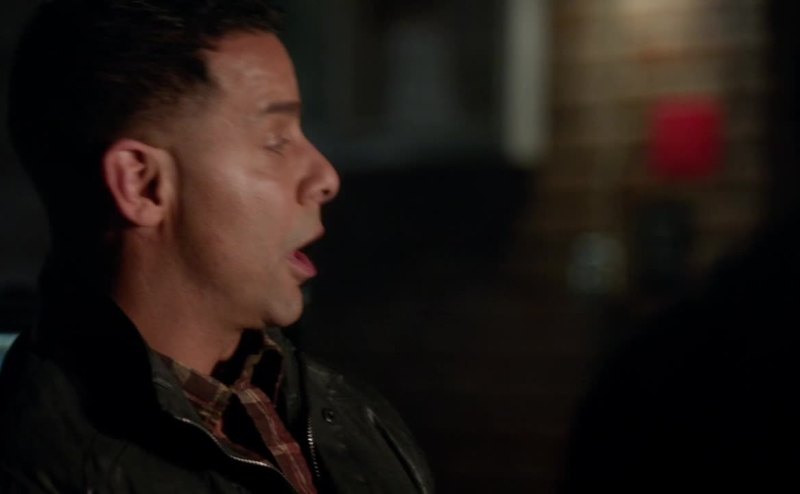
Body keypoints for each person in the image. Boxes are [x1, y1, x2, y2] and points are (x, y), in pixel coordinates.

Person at [0, 1, 434, 492]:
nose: (325, 177)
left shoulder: (354, 418)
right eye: (275, 141)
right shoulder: (44, 467)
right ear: (142, 184)